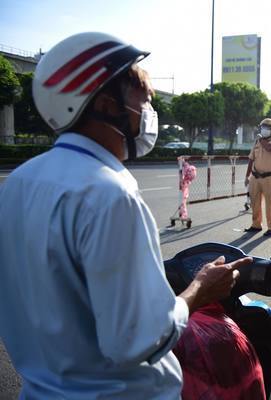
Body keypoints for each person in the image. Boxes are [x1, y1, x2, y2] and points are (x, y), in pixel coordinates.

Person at [0, 32, 251, 399]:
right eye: (143, 99)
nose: (149, 112)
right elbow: (139, 340)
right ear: (105, 104)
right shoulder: (109, 193)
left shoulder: (20, 181)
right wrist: (200, 289)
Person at [244, 118, 271, 237]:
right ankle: (256, 225)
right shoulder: (257, 142)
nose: (264, 130)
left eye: (267, 128)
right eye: (263, 127)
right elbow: (251, 159)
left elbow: (270, 148)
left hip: (270, 177)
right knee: (255, 202)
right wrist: (247, 175)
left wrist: (261, 139)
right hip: (255, 177)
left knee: (270, 203)